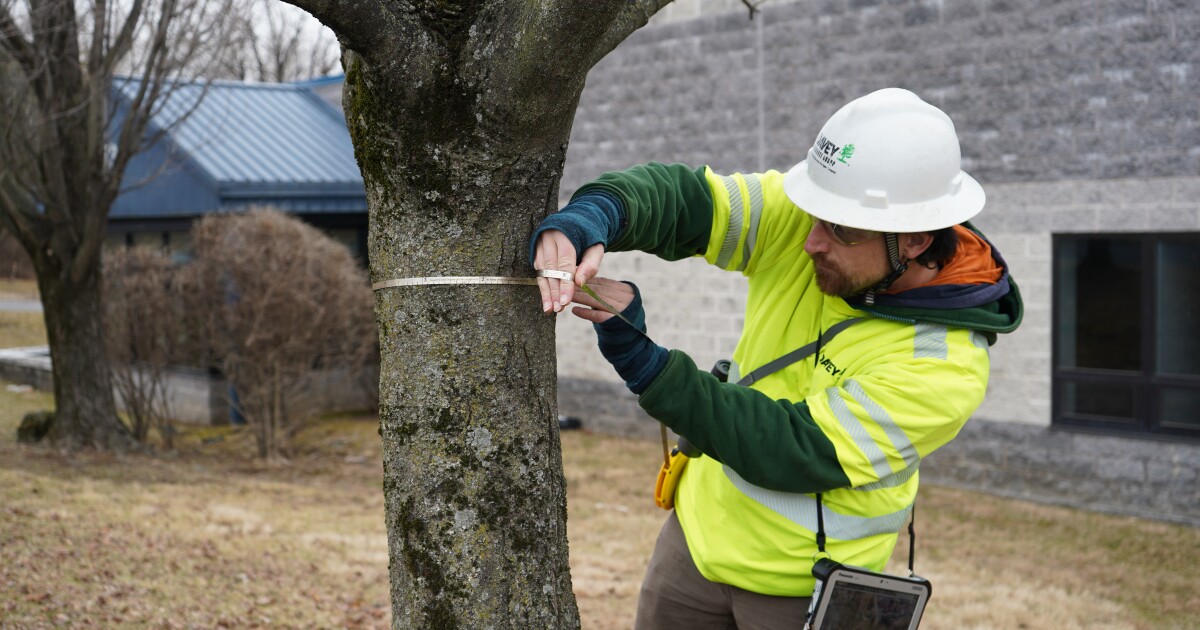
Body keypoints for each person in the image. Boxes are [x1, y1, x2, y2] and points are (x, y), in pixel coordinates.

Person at [530, 88, 1023, 629]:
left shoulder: (943, 363)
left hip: (804, 590)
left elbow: (787, 447)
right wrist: (592, 217)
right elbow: (686, 201)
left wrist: (643, 360)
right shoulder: (812, 224)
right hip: (696, 547)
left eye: (840, 229)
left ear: (914, 240)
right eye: (815, 213)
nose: (810, 241)